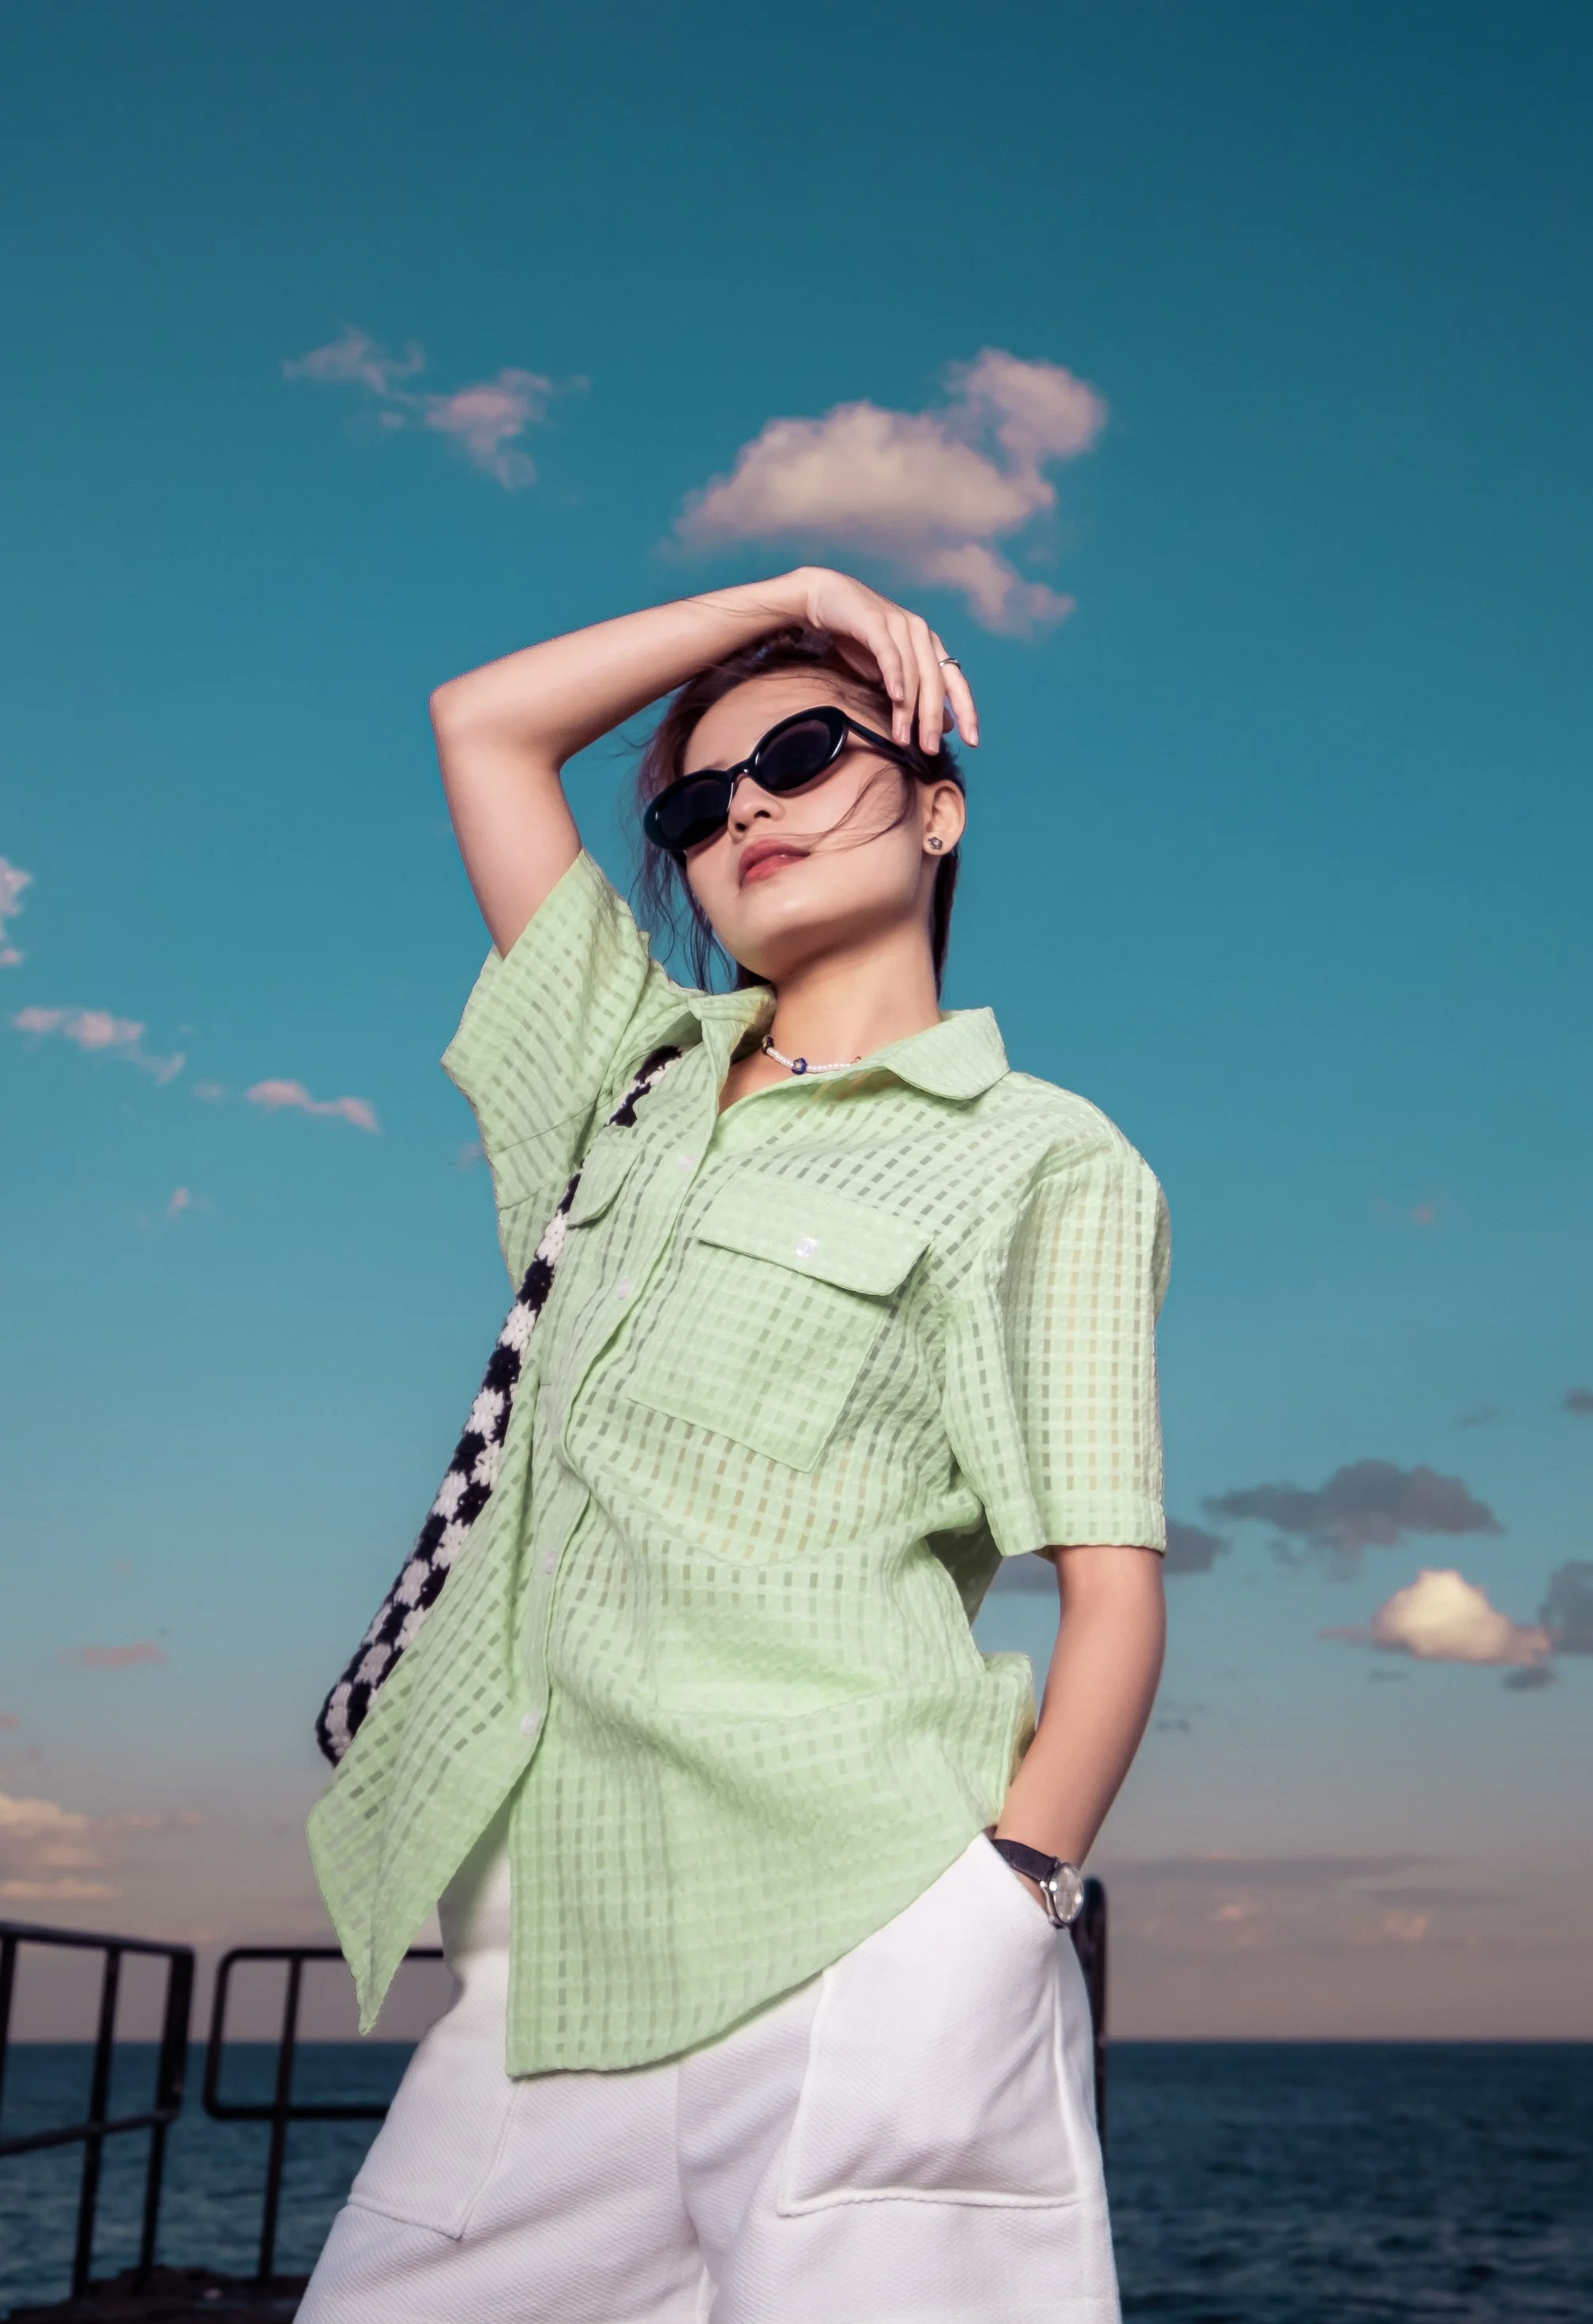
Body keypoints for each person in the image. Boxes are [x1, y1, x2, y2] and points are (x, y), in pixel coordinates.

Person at [297, 567, 1171, 2324]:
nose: (744, 809)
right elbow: (484, 723)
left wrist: (1004, 1915)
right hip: (551, 1960)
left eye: (799, 753)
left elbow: (1110, 1586)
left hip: (864, 1931)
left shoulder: (1040, 1151)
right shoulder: (619, 1074)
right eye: (700, 805)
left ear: (936, 805)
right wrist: (785, 597)